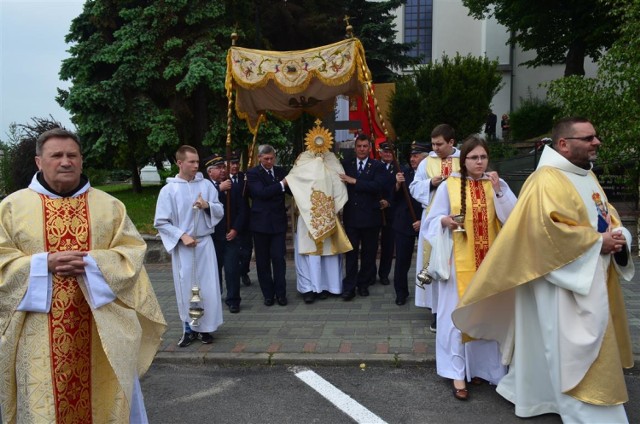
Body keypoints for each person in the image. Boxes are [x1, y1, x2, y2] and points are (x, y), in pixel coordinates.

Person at [453, 117, 635, 421]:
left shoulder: (585, 176)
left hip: (587, 273)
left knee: (552, 346)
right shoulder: (545, 180)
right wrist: (594, 243)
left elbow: (608, 214)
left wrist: (619, 237)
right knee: (568, 350)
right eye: (588, 138)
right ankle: (589, 412)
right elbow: (543, 232)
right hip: (560, 281)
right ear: (563, 144)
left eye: (595, 137)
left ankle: (543, 396)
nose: (596, 143)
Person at [0, 128, 166, 423]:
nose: (65, 162)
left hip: (101, 331)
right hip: (37, 335)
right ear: (39, 162)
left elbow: (131, 254)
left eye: (72, 155)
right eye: (57, 155)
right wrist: (43, 264)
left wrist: (91, 263)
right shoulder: (12, 207)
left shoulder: (109, 206)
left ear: (81, 160)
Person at [425, 135, 516, 401]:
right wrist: (445, 220)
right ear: (463, 160)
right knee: (456, 317)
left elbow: (513, 218)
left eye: (483, 157)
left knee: (487, 315)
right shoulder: (449, 186)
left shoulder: (496, 184)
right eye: (474, 157)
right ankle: (456, 372)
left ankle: (482, 369)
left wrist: (499, 190)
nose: (479, 162)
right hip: (458, 265)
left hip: (489, 264)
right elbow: (431, 221)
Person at [154, 145, 224, 347]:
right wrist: (182, 235)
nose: (196, 165)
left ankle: (206, 329)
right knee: (186, 287)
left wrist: (207, 206)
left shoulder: (207, 186)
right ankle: (188, 329)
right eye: (191, 162)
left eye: (197, 161)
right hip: (184, 248)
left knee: (208, 288)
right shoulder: (169, 190)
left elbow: (219, 209)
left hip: (205, 244)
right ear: (180, 163)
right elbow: (161, 222)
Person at [287, 130, 352, 303]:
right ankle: (309, 288)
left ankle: (327, 286)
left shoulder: (331, 159)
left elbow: (339, 181)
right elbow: (294, 180)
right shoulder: (302, 159)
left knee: (329, 254)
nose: (318, 147)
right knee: (309, 253)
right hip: (307, 214)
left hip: (328, 212)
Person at [409, 124, 461, 332]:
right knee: (433, 263)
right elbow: (414, 186)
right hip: (433, 221)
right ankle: (436, 312)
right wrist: (430, 182)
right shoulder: (426, 163)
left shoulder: (463, 159)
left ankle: (456, 310)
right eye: (433, 144)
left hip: (457, 220)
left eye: (440, 144)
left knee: (453, 266)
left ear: (451, 143)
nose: (436, 148)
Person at [339, 134, 387, 300]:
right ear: (355, 147)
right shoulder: (346, 165)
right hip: (352, 217)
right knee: (351, 254)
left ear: (370, 148)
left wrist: (355, 182)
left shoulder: (378, 166)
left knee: (369, 253)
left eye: (365, 146)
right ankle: (349, 287)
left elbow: (377, 186)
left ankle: (363, 284)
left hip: (371, 218)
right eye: (359, 146)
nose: (361, 149)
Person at [246, 144, 291, 306]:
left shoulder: (280, 172)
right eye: (266, 159)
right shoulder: (253, 173)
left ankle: (281, 293)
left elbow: (292, 190)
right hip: (260, 224)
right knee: (263, 261)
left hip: (278, 223)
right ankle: (268, 294)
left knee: (279, 259)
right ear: (259, 158)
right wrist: (281, 185)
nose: (269, 161)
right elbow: (261, 193)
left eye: (272, 158)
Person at [206, 153, 248, 313]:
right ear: (210, 172)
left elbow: (242, 210)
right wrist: (218, 190)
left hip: (230, 236)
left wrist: (235, 229)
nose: (223, 170)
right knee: (213, 270)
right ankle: (215, 297)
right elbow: (203, 205)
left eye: (224, 167)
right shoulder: (205, 186)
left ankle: (233, 300)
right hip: (213, 237)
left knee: (232, 269)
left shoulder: (233, 187)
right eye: (219, 168)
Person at [392, 142, 428, 305]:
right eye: (411, 156)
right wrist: (398, 184)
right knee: (402, 260)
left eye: (416, 155)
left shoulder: (430, 174)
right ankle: (401, 292)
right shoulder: (403, 173)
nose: (412, 159)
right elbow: (393, 198)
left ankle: (427, 295)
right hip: (404, 223)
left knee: (427, 261)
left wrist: (424, 220)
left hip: (425, 222)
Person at [229, 152, 253, 287]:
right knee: (234, 251)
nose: (235, 166)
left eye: (237, 163)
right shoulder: (224, 179)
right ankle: (234, 273)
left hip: (246, 220)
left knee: (247, 250)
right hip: (231, 220)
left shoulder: (244, 177)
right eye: (232, 163)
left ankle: (244, 271)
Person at [376, 141, 398, 286]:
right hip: (375, 210)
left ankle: (384, 274)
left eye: (390, 151)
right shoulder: (375, 166)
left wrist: (388, 202)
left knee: (388, 246)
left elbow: (401, 192)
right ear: (381, 152)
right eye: (385, 151)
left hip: (391, 212)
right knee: (370, 246)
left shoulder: (399, 169)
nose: (388, 154)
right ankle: (370, 274)